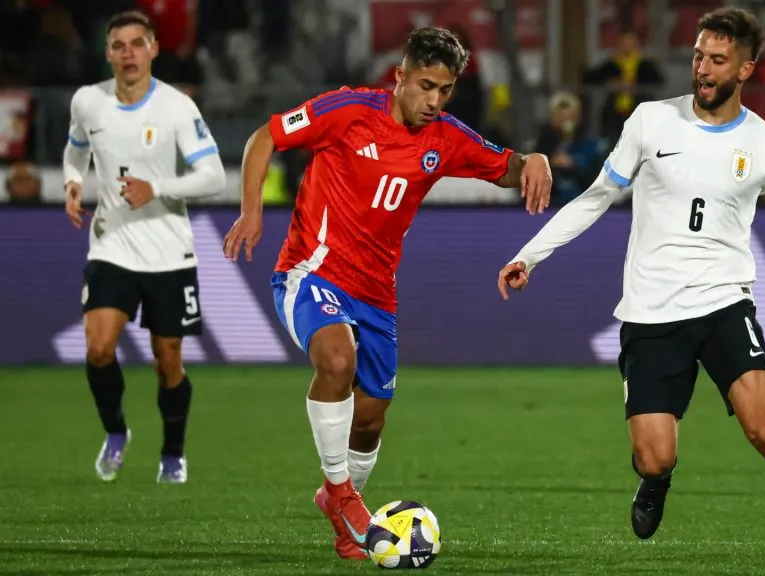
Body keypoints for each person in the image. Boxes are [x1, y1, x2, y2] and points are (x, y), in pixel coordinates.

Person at [497, 8, 765, 568]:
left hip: (725, 304)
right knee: (653, 457)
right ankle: (655, 482)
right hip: (650, 312)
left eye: (717, 60)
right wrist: (531, 255)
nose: (703, 68)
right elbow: (599, 196)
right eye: (698, 55)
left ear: (745, 69)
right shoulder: (651, 121)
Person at [222, 27, 551, 561]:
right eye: (425, 86)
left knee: (371, 417)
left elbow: (507, 166)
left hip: (377, 294)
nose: (434, 101)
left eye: (445, 90)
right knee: (336, 360)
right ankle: (343, 495)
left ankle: (339, 504)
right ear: (399, 76)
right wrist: (252, 209)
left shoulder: (445, 137)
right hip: (312, 272)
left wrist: (532, 160)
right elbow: (266, 136)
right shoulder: (349, 110)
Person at [63, 10, 226, 485]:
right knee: (98, 348)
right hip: (112, 243)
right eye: (119, 45)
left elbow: (213, 175)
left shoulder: (176, 108)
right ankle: (116, 432)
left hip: (168, 252)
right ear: (108, 52)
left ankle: (173, 452)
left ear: (154, 48)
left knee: (167, 357)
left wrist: (157, 187)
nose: (128, 53)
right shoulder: (87, 102)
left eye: (137, 43)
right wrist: (75, 181)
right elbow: (77, 148)